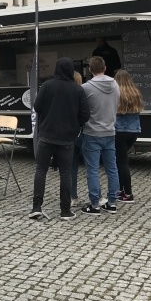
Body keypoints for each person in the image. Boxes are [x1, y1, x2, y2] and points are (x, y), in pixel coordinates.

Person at [29, 57, 90, 221]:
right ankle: (65, 210)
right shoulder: (78, 90)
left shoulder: (47, 86)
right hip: (67, 138)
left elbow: (37, 106)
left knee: (41, 169)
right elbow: (85, 115)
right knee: (65, 173)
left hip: (47, 135)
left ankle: (36, 207)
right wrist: (74, 125)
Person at [80, 56, 121, 216]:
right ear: (105, 68)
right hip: (110, 131)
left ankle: (95, 204)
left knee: (92, 170)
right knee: (112, 168)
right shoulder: (115, 84)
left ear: (89, 70)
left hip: (91, 132)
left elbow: (82, 111)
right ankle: (112, 203)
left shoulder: (86, 88)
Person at [114, 69, 142, 203]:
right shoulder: (135, 93)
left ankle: (128, 193)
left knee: (121, 163)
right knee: (122, 161)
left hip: (119, 131)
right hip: (134, 131)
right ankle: (121, 190)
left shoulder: (116, 93)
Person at [70, 61, 85, 206]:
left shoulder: (66, 94)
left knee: (71, 166)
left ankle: (72, 196)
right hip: (83, 133)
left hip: (69, 134)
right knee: (92, 166)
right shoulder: (82, 93)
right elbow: (85, 114)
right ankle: (96, 196)